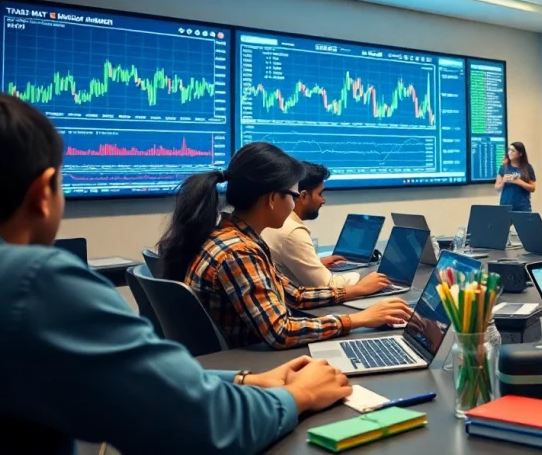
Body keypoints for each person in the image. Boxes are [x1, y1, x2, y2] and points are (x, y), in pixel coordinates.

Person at [0, 90, 355, 455]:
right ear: (43, 192)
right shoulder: (31, 282)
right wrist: (300, 395)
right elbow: (203, 423)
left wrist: (245, 380)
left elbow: (141, 385)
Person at [157, 142, 411, 350]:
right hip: (252, 365)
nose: (294, 205)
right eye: (292, 195)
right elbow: (281, 332)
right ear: (271, 199)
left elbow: (294, 295)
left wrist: (353, 292)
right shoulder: (238, 252)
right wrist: (358, 319)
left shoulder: (235, 236)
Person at [263, 161, 377, 290]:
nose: (323, 200)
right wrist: (362, 276)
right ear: (304, 196)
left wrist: (316, 264)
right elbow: (328, 286)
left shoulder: (272, 221)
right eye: (320, 194)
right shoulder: (292, 231)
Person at [495, 141, 536, 212]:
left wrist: (519, 182)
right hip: (505, 206)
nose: (510, 152)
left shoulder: (528, 168)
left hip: (522, 207)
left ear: (520, 154)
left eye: (513, 151)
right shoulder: (503, 168)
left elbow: (532, 188)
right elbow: (497, 188)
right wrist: (503, 181)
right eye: (509, 150)